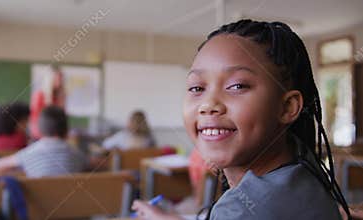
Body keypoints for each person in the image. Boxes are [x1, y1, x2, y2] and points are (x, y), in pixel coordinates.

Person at [132, 19, 352, 220]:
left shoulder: (240, 209)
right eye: (197, 88)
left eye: (237, 86)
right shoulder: (302, 167)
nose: (209, 104)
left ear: (287, 107)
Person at [0, 106, 87, 178]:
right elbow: (91, 164)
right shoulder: (76, 154)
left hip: (36, 203)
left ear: (39, 130)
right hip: (72, 203)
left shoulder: (29, 153)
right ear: (67, 131)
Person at [29, 64, 65, 139]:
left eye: (61, 78)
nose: (60, 81)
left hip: (56, 135)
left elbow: (62, 118)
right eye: (57, 78)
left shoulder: (60, 96)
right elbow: (34, 118)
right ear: (50, 79)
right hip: (40, 135)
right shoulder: (40, 95)